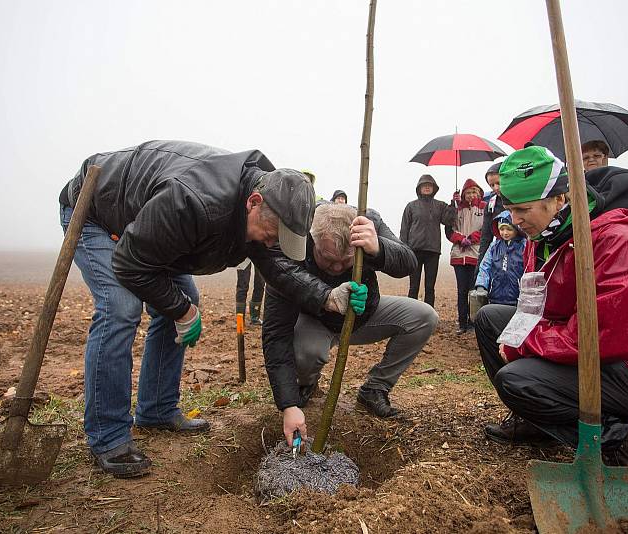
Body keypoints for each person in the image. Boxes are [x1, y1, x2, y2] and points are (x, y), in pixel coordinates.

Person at [59, 140, 315, 478]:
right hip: (96, 209)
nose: (270, 245)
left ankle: (156, 409)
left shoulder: (266, 200)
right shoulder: (194, 202)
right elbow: (130, 263)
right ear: (254, 203)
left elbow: (279, 269)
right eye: (269, 235)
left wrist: (326, 297)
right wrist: (182, 311)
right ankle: (108, 436)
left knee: (181, 298)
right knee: (120, 307)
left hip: (156, 229)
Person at [474, 146, 628, 466]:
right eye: (510, 209)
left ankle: (624, 436)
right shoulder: (545, 237)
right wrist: (518, 334)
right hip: (592, 341)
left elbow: (600, 337)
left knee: (517, 379)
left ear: (559, 200)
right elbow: (534, 305)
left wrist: (523, 344)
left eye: (523, 209)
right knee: (491, 320)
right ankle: (536, 418)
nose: (515, 220)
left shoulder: (616, 241)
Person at [260, 203, 435, 445]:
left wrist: (378, 248)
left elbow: (408, 261)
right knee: (307, 352)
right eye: (328, 259)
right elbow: (275, 333)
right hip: (315, 321)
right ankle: (305, 385)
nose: (337, 268)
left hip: (364, 315)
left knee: (423, 317)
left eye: (346, 261)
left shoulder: (368, 222)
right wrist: (288, 403)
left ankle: (375, 388)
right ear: (314, 241)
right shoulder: (294, 243)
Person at [400, 174, 455, 308]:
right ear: (419, 188)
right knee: (414, 286)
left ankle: (429, 313)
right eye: (424, 186)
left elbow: (447, 220)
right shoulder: (411, 206)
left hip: (433, 251)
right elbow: (404, 228)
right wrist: (404, 248)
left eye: (429, 186)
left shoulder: (440, 205)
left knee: (430, 287)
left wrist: (453, 204)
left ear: (434, 188)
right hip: (414, 251)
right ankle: (410, 313)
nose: (426, 188)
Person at [445, 179, 485, 334]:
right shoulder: (456, 208)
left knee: (475, 290)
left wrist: (473, 237)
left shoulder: (484, 207)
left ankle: (475, 323)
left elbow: (486, 229)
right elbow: (448, 229)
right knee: (462, 290)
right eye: (467, 192)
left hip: (476, 254)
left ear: (479, 192)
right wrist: (460, 239)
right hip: (459, 255)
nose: (471, 195)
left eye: (474, 192)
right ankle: (463, 323)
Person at [472, 211, 525, 306]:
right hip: (495, 297)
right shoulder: (494, 246)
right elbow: (485, 266)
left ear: (516, 228)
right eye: (502, 229)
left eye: (509, 229)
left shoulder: (524, 246)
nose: (505, 233)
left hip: (518, 299)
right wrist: (481, 285)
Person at [476, 163, 504, 272]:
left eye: (499, 183)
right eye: (492, 185)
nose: (496, 188)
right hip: (500, 251)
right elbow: (486, 237)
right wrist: (479, 268)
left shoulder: (521, 200)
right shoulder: (491, 204)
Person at [235, 261, 265, 325]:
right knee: (242, 286)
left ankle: (255, 318)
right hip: (243, 254)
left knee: (260, 284)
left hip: (260, 253)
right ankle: (240, 321)